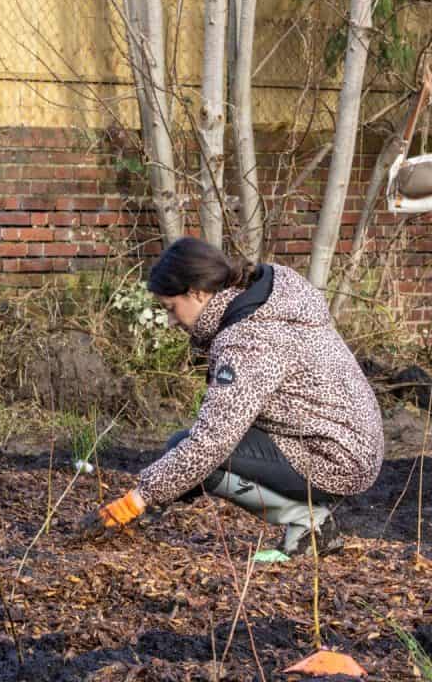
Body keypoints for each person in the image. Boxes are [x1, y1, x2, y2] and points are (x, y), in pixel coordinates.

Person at [82, 237, 384, 556]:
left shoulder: (247, 340)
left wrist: (137, 500)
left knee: (200, 455)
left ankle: (310, 523)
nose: (171, 321)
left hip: (335, 459)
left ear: (197, 292)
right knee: (190, 452)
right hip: (347, 442)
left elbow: (211, 443)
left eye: (171, 309)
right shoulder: (264, 303)